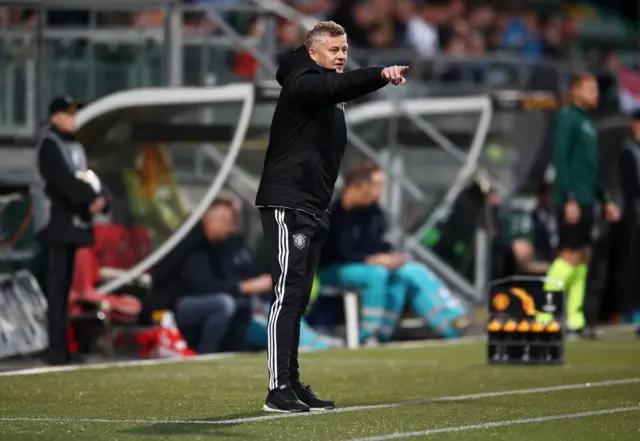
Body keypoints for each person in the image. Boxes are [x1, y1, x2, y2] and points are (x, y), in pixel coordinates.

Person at [254, 20, 409, 412]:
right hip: (289, 203)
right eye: (334, 51)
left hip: (312, 206)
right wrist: (379, 74)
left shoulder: (320, 85)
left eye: (344, 51)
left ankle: (291, 381)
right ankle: (277, 388)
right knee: (286, 295)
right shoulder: (304, 83)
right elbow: (333, 86)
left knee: (300, 297)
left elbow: (335, 90)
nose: (341, 57)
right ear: (313, 53)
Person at [31, 95, 111, 365]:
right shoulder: (49, 145)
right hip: (55, 227)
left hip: (72, 227)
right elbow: (62, 182)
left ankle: (62, 346)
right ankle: (55, 348)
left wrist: (103, 199)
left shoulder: (74, 146)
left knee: (64, 290)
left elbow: (87, 176)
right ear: (55, 117)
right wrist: (90, 201)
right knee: (55, 289)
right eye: (68, 114)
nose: (73, 118)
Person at [542, 73, 620, 336]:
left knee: (583, 256)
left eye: (595, 88)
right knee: (569, 254)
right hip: (573, 199)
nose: (594, 93)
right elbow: (561, 161)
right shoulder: (567, 118)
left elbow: (589, 168)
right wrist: (569, 198)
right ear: (575, 91)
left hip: (587, 198)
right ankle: (545, 315)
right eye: (588, 88)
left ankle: (575, 319)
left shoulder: (586, 121)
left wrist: (605, 199)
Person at [148, 199, 263, 354]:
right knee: (224, 304)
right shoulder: (193, 247)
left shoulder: (219, 245)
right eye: (226, 221)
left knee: (245, 303)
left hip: (197, 299)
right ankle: (205, 353)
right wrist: (243, 287)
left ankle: (233, 352)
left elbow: (225, 278)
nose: (230, 228)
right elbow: (203, 286)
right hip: (174, 304)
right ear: (210, 221)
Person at [617, 109, 640, 335]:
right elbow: (629, 188)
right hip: (633, 215)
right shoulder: (627, 151)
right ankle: (632, 311)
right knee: (632, 263)